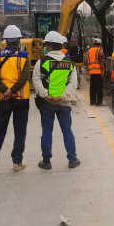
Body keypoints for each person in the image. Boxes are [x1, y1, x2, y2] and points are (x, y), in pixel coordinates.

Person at [0, 25, 31, 172]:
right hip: (21, 98)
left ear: (5, 40)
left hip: (3, 99)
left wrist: (5, 91)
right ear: (18, 40)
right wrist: (12, 90)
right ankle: (17, 163)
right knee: (20, 130)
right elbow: (24, 77)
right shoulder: (24, 56)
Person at [32, 31, 80, 170]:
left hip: (47, 104)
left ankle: (46, 161)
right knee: (67, 131)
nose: (45, 47)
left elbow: (36, 79)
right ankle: (72, 159)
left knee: (47, 131)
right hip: (64, 104)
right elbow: (73, 83)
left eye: (46, 44)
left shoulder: (42, 61)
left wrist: (46, 95)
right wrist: (63, 97)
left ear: (51, 46)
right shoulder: (70, 64)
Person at [86, 38, 105, 105]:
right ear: (100, 44)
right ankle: (99, 102)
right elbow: (101, 61)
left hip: (91, 72)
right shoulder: (99, 50)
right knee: (99, 88)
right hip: (98, 72)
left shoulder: (89, 51)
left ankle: (92, 101)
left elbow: (86, 61)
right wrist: (102, 71)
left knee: (92, 87)